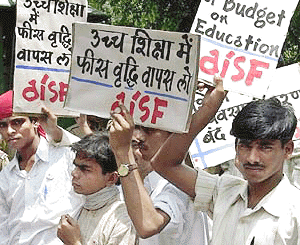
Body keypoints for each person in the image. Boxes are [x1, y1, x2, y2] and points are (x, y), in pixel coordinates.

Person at [152, 96, 300, 244]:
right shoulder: (224, 191)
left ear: (287, 149)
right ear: (236, 148)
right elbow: (164, 164)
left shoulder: (295, 211)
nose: (252, 158)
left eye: (265, 147)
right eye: (245, 146)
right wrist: (207, 110)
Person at [108, 77, 225, 245]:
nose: (137, 137)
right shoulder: (138, 181)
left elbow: (148, 224)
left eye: (149, 129)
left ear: (172, 134)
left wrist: (123, 152)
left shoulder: (178, 185)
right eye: (136, 128)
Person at [0, 90, 83, 245]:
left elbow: (90, 153)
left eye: (17, 122)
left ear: (35, 122)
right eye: (3, 125)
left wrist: (56, 132)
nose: (10, 131)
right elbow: (3, 228)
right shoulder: (5, 177)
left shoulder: (65, 156)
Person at [57, 132, 137, 245]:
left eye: (85, 169)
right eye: (76, 166)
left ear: (111, 178)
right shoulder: (77, 206)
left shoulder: (122, 219)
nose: (74, 173)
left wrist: (74, 242)